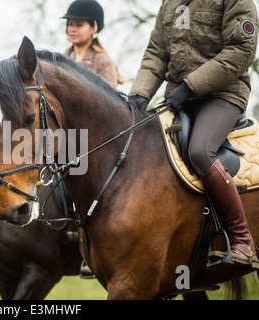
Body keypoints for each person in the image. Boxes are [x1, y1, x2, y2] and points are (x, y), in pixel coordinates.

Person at [128, 0, 259, 269]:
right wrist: (139, 95)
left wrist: (190, 86)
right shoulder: (170, 3)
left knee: (199, 150)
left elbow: (241, 50)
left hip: (223, 94)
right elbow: (157, 53)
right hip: (180, 96)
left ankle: (242, 239)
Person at [62, 0, 124, 87]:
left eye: (79, 25)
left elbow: (110, 99)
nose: (72, 29)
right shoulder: (61, 59)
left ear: (94, 27)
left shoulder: (103, 62)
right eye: (70, 24)